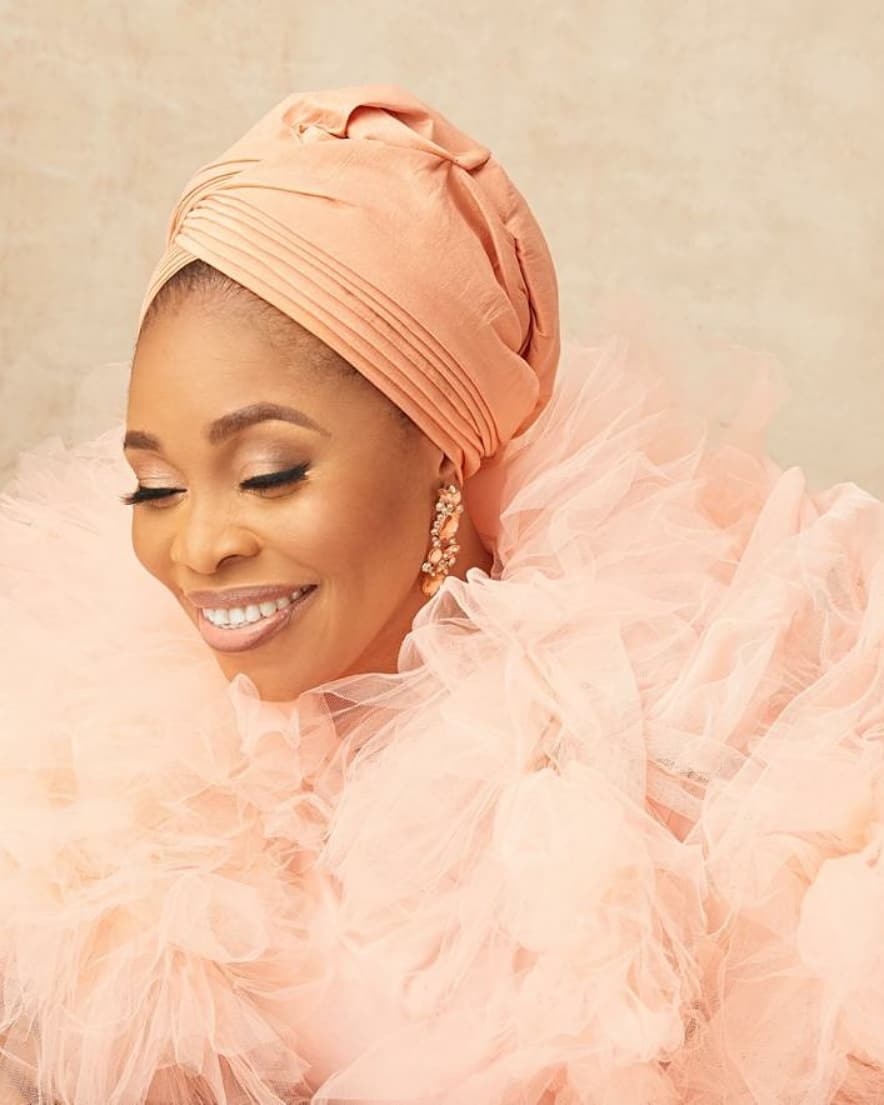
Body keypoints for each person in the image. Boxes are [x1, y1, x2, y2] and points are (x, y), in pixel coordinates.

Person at [0, 83, 883, 1105]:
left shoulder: (670, 744)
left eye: (270, 473)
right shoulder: (91, 762)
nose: (198, 546)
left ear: (442, 452)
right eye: (155, 487)